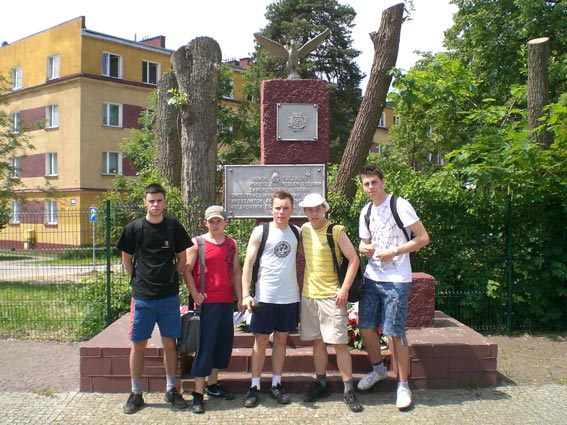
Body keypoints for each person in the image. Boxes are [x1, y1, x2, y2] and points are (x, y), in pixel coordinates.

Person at [356, 165, 430, 410]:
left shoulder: (400, 205)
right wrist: (364, 248)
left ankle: (403, 384)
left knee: (395, 333)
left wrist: (395, 251)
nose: (370, 187)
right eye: (366, 184)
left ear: (383, 182)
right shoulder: (366, 211)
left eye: (374, 182)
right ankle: (378, 370)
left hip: (397, 279)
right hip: (372, 277)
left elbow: (423, 238)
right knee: (366, 328)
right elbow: (364, 243)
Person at [116, 183, 192, 414]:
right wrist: (140, 281)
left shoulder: (173, 227)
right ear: (145, 202)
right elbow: (127, 260)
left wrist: (170, 278)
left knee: (170, 343)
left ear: (164, 201)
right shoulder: (134, 228)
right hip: (143, 298)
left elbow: (183, 260)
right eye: (151, 201)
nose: (155, 205)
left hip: (168, 297)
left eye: (159, 200)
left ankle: (171, 390)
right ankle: (136, 392)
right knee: (139, 344)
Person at [298, 193, 364, 413]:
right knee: (317, 342)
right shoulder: (304, 230)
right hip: (309, 295)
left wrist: (344, 289)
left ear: (324, 209)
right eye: (309, 210)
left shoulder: (336, 230)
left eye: (318, 208)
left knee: (339, 343)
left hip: (332, 296)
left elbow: (354, 259)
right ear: (305, 212)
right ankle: (321, 384)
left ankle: (348, 389)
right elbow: (304, 254)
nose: (314, 213)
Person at [241, 190, 301, 408]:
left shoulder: (297, 232)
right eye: (277, 208)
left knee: (282, 341)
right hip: (265, 297)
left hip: (289, 297)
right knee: (260, 342)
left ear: (292, 210)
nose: (281, 212)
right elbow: (248, 264)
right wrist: (246, 294)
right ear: (271, 209)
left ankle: (276, 383)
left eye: (285, 208)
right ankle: (254, 386)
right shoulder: (261, 231)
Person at [183, 205, 243, 414]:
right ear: (205, 223)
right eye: (211, 221)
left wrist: (240, 297)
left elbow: (236, 271)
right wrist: (194, 294)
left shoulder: (231, 244)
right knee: (205, 346)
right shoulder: (197, 243)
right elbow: (187, 271)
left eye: (219, 221)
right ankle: (198, 393)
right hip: (206, 304)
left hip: (226, 302)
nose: (215, 224)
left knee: (221, 344)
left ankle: (213, 384)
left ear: (225, 222)